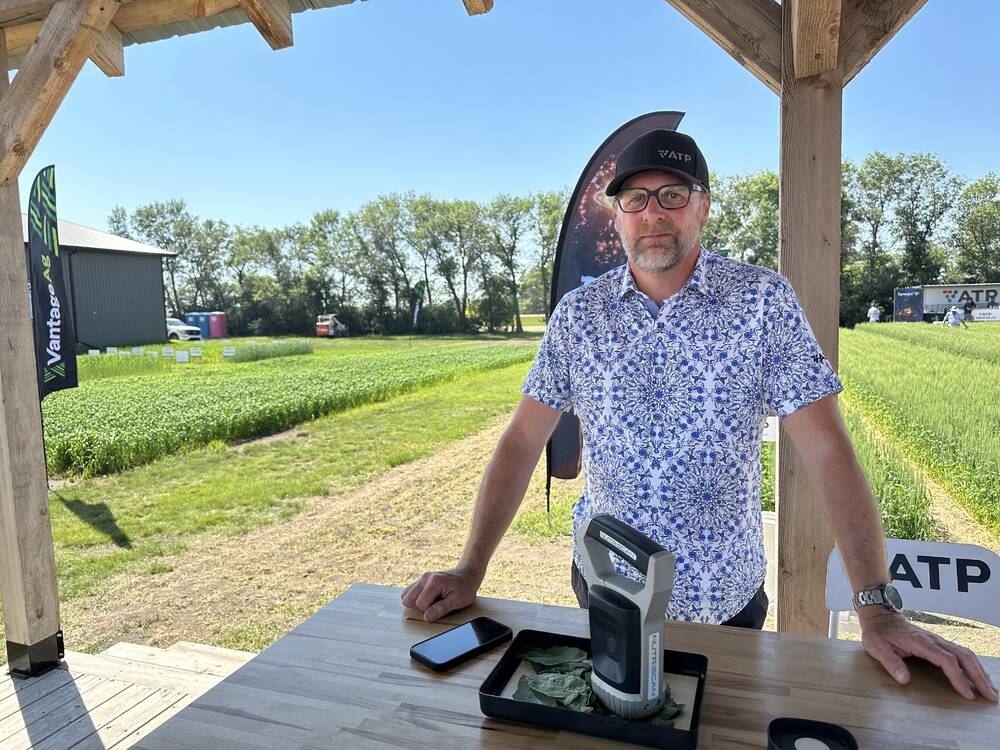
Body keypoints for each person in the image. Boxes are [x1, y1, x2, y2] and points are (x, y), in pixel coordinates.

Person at [402, 128, 998, 703]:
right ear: (617, 217)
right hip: (606, 592)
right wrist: (470, 568)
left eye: (673, 195)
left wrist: (876, 607)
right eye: (635, 199)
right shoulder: (579, 316)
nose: (653, 213)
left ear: (704, 208)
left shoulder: (763, 302)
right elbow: (521, 442)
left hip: (725, 602)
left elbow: (827, 449)